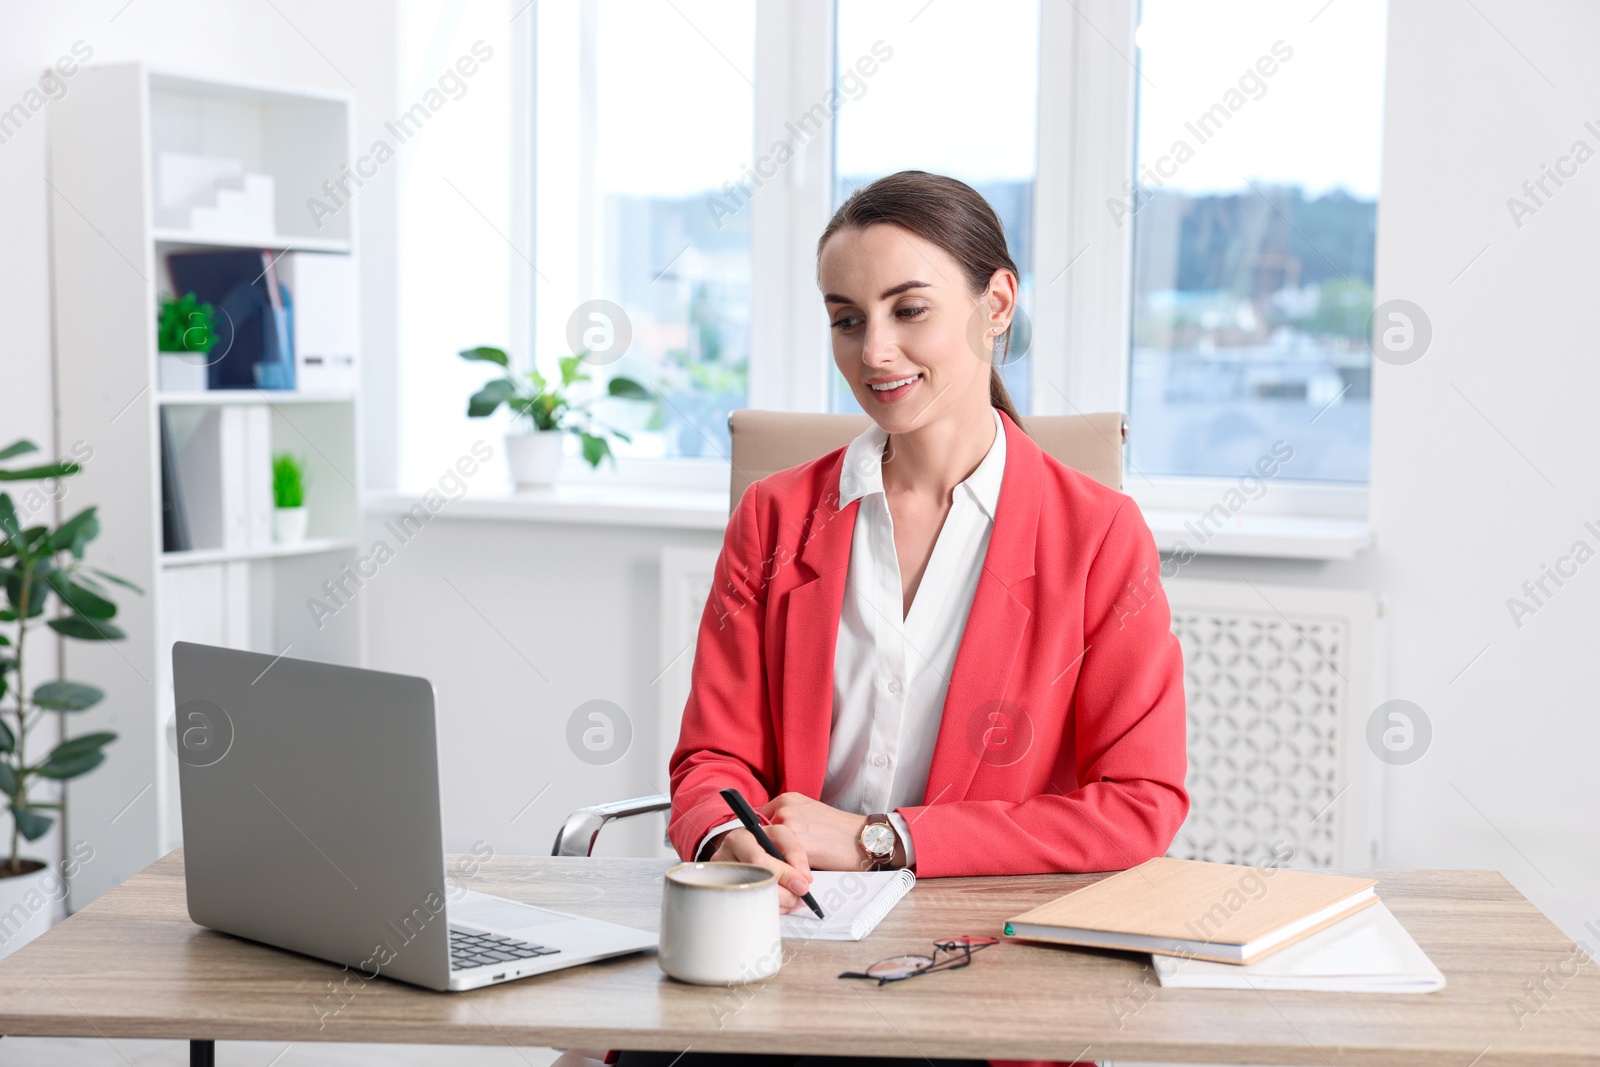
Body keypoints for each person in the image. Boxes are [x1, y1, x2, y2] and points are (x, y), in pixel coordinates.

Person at [612, 171, 1189, 1067]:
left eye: (909, 310)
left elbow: (1138, 805)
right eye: (847, 318)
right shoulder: (772, 517)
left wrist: (885, 839)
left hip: (977, 970)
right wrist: (731, 836)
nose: (875, 352)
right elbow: (709, 760)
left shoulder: (1099, 536)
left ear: (996, 303)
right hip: (779, 955)